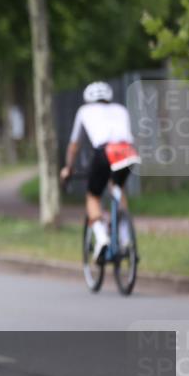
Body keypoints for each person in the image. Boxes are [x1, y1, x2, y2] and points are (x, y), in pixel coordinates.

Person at [59, 81, 140, 261]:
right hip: (128, 152)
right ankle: (125, 238)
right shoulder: (121, 109)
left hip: (105, 152)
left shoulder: (84, 111)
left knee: (93, 196)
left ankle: (102, 238)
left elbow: (74, 145)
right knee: (117, 189)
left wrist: (68, 168)